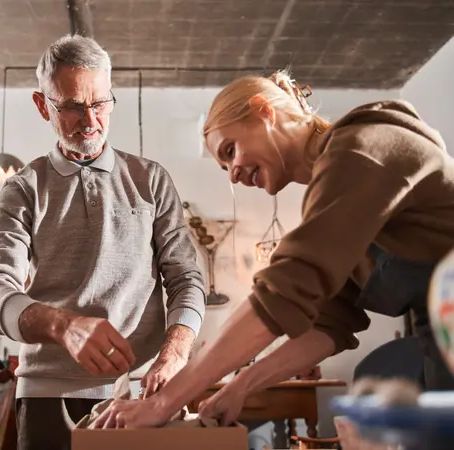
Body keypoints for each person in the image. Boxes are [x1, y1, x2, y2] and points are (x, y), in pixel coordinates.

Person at [90, 70, 454, 429]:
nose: (232, 174)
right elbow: (328, 326)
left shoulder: (362, 146)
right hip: (440, 341)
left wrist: (165, 402)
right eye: (224, 166)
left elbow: (281, 293)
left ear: (264, 110)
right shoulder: (338, 197)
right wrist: (239, 387)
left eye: (230, 150)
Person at [0, 34, 206, 450]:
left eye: (100, 103)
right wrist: (64, 327)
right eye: (71, 106)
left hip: (142, 392)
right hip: (48, 394)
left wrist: (175, 353)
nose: (90, 121)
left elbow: (187, 276)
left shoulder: (151, 180)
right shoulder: (22, 190)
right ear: (42, 104)